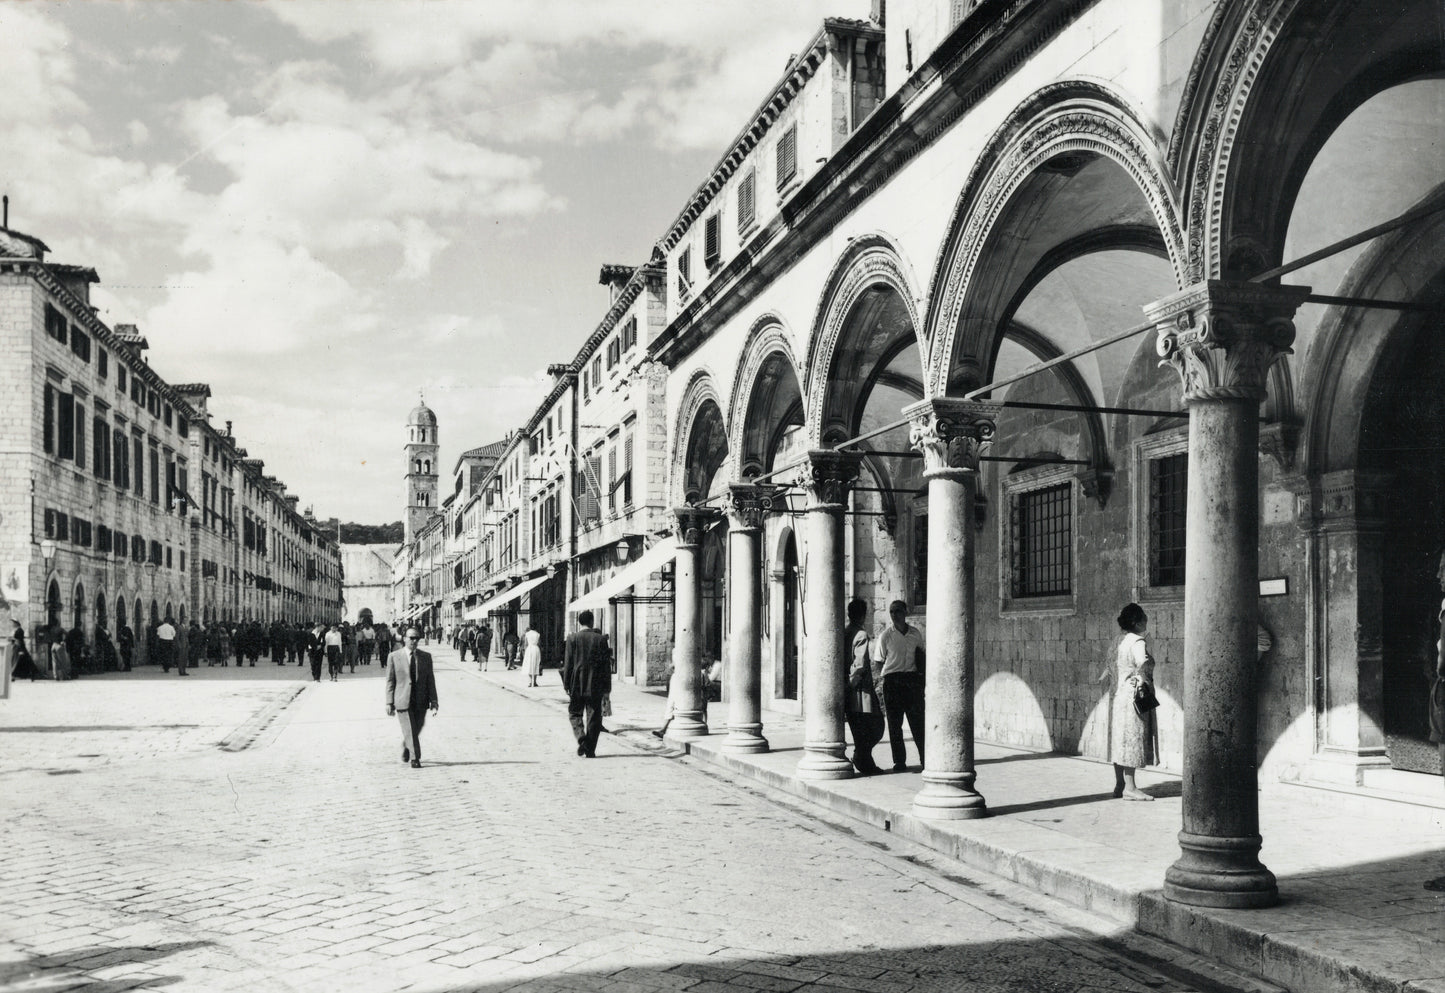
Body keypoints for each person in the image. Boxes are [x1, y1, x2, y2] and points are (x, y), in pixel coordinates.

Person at [1105, 602, 1157, 801]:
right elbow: (1142, 663)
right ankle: (1131, 788)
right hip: (1134, 696)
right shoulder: (1137, 641)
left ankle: (1120, 784)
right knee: (1133, 739)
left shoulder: (1118, 640)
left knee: (1120, 740)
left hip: (1119, 695)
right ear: (1136, 622)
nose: (1146, 619)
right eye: (1144, 617)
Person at [874, 600, 926, 772]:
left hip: (911, 681)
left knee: (918, 723)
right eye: (891, 611)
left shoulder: (915, 634)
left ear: (905, 612)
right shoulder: (886, 636)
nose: (894, 615)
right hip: (893, 682)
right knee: (895, 725)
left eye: (897, 611)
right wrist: (888, 677)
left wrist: (919, 680)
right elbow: (879, 662)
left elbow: (920, 656)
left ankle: (925, 759)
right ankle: (899, 761)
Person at [561, 610, 611, 758]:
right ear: (592, 621)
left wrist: (566, 684)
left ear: (579, 622)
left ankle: (581, 737)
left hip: (576, 682)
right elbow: (605, 666)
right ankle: (590, 749)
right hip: (595, 682)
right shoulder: (600, 639)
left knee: (575, 712)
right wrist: (607, 688)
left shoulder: (572, 638)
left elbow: (568, 663)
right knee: (594, 715)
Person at [385, 626, 438, 768]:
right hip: (402, 699)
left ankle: (407, 746)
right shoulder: (394, 657)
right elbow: (390, 681)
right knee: (409, 728)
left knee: (417, 728)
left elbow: (430, 680)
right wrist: (389, 702)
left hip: (421, 699)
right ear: (404, 639)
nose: (414, 641)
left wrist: (434, 701)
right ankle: (416, 758)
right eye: (411, 638)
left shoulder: (426, 657)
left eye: (417, 638)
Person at [843, 597, 884, 775]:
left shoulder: (845, 631)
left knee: (859, 728)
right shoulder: (860, 634)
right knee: (875, 727)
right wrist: (851, 684)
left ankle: (864, 759)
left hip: (851, 687)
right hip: (860, 690)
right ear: (863, 615)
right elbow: (859, 664)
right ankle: (862, 759)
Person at [522, 623, 542, 688]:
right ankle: (535, 681)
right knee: (536, 664)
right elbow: (539, 643)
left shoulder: (527, 634)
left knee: (529, 664)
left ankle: (531, 681)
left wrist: (524, 651)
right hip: (536, 649)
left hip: (529, 649)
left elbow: (525, 643)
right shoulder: (538, 634)